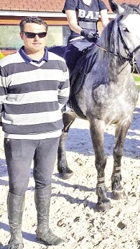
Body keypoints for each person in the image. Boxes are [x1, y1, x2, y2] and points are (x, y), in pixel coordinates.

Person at [0, 16, 70, 247]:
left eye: (40, 34)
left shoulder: (59, 63)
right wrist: (14, 124)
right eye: (30, 34)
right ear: (21, 36)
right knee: (18, 186)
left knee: (44, 182)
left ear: (46, 35)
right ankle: (16, 237)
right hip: (19, 137)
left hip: (50, 135)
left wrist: (47, 117)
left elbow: (62, 97)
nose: (36, 38)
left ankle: (43, 229)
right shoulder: (6, 65)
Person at [62, 0, 109, 74]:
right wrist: (84, 32)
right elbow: (72, 23)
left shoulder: (100, 3)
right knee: (69, 60)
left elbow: (106, 23)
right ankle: (68, 87)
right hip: (77, 39)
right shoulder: (72, 1)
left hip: (95, 40)